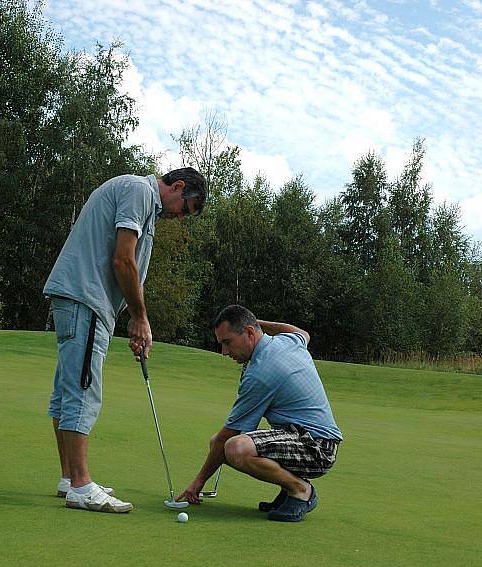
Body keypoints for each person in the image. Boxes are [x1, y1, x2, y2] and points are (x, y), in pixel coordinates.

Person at [44, 168, 207, 514]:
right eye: (185, 208)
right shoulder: (139, 192)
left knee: (67, 390)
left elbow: (130, 266)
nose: (179, 217)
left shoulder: (144, 202)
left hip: (84, 300)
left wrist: (135, 318)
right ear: (178, 186)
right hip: (86, 298)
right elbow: (123, 260)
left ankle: (70, 476)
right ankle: (80, 485)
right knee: (83, 390)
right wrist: (139, 317)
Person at [176, 305, 342, 522]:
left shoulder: (260, 373)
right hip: (305, 438)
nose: (224, 352)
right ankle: (288, 488)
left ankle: (301, 491)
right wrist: (255, 321)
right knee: (218, 444)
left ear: (250, 333)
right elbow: (302, 333)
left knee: (235, 447)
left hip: (317, 449)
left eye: (227, 343)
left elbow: (229, 435)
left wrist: (198, 482)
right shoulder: (286, 342)